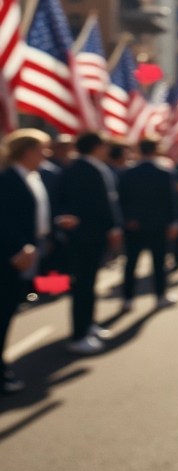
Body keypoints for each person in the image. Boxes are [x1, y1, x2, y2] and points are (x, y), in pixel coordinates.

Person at [58, 132, 122, 355]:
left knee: (90, 283)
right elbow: (97, 203)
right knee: (83, 285)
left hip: (93, 236)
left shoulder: (92, 167)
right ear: (96, 146)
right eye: (104, 145)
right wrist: (112, 226)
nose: (107, 149)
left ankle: (88, 324)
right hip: (85, 237)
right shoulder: (81, 168)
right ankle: (79, 334)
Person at [0, 130, 52, 394]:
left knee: (10, 310)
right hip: (11, 258)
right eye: (41, 149)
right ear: (27, 151)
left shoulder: (31, 177)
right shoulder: (8, 179)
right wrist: (14, 251)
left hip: (30, 252)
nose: (46, 155)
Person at [118, 139, 178, 311]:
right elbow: (172, 200)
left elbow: (121, 200)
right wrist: (174, 222)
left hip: (134, 226)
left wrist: (127, 219)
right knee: (158, 263)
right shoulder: (164, 172)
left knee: (131, 263)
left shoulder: (128, 172)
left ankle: (128, 299)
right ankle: (160, 295)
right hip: (157, 226)